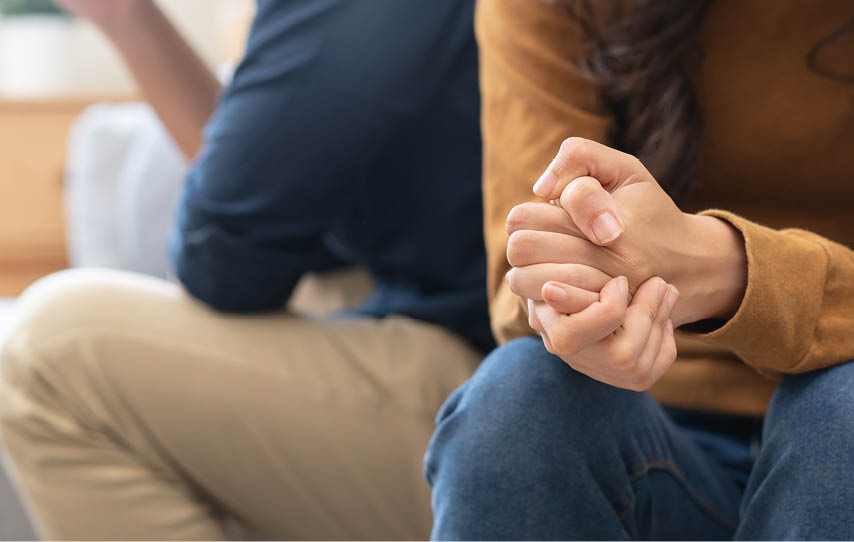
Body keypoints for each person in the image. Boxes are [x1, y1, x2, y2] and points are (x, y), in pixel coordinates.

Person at [0, 0, 491, 539]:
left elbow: (222, 261)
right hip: (476, 338)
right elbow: (261, 214)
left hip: (499, 388)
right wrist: (123, 14)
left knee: (47, 356)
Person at [426, 0, 854, 539]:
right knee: (514, 404)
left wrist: (731, 272)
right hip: (651, 427)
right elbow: (522, 272)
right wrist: (576, 298)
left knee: (844, 411)